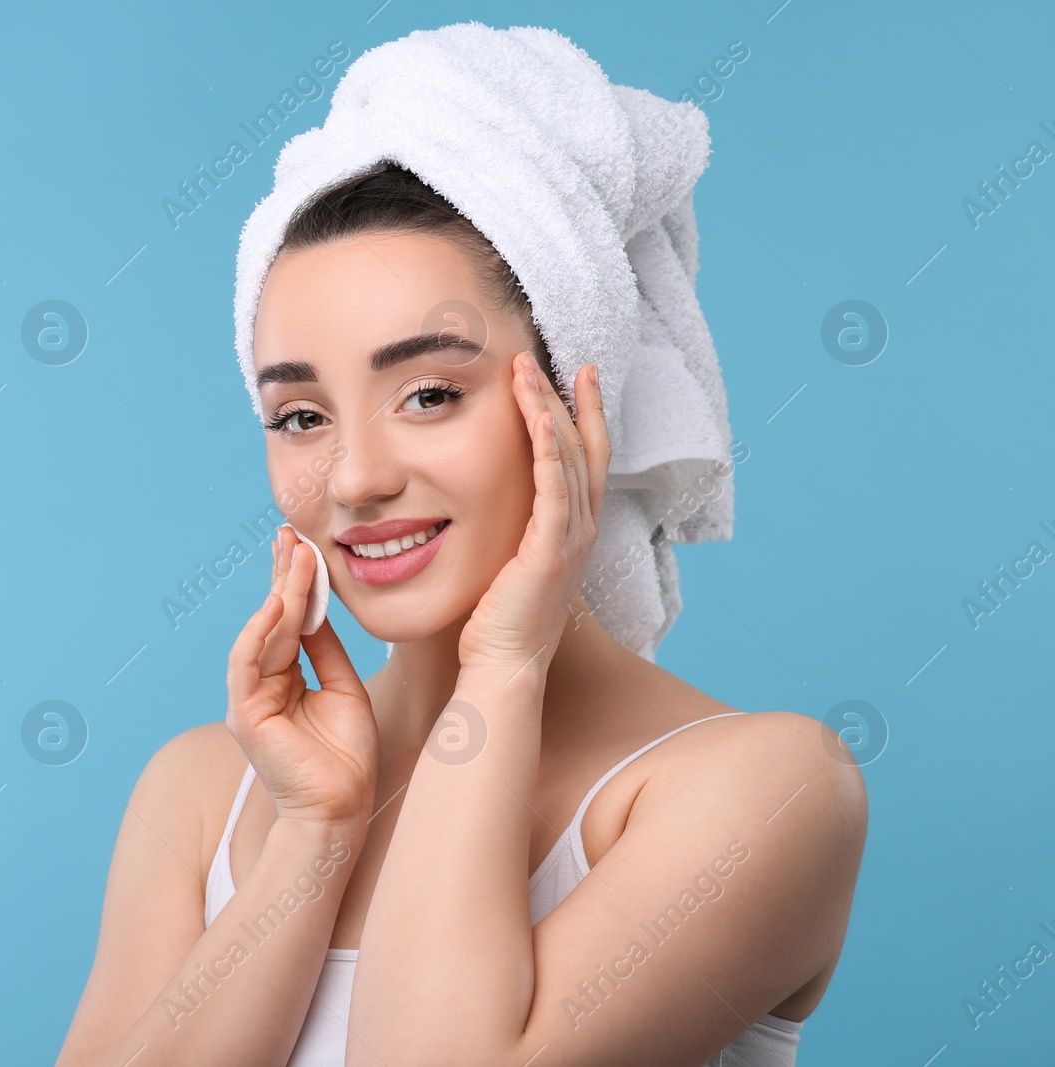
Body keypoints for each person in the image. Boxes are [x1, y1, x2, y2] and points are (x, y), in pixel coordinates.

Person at [57, 27, 867, 1067]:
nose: (353, 478)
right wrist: (315, 833)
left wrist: (500, 671)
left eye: (429, 393)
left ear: (578, 399)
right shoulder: (206, 788)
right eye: (300, 415)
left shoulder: (767, 788)